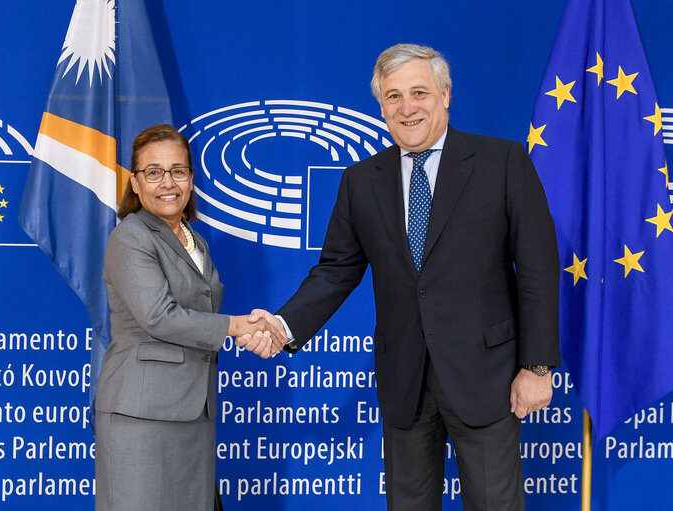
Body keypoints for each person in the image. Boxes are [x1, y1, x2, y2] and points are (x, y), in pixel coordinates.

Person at [249, 44, 560, 510]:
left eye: (419, 92)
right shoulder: (361, 181)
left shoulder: (503, 163)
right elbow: (336, 271)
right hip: (404, 382)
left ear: (445, 94)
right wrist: (283, 325)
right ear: (381, 105)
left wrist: (537, 366)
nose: (406, 107)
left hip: (487, 378)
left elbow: (538, 268)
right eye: (393, 96)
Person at [94, 124, 285, 511]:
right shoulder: (130, 237)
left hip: (193, 411)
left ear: (191, 179)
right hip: (142, 417)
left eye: (178, 171)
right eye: (154, 172)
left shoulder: (192, 238)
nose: (168, 182)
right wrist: (238, 327)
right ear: (135, 182)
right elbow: (159, 317)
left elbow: (198, 313)